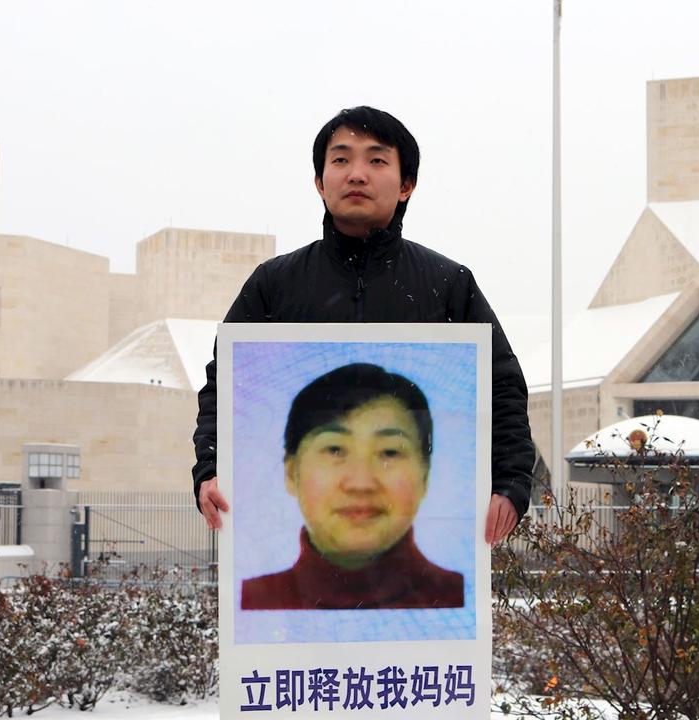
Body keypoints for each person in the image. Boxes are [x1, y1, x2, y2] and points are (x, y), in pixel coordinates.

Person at [193, 105, 534, 546]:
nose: (356, 174)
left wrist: (510, 483)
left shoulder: (448, 284)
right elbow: (225, 384)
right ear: (320, 182)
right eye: (340, 160)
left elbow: (501, 385)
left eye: (376, 160)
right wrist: (210, 469)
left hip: (438, 545)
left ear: (406, 184)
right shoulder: (274, 284)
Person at [241, 363, 463, 610]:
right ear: (291, 472)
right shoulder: (252, 603)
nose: (361, 483)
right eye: (335, 449)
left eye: (389, 452)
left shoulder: (460, 600)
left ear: (425, 475)